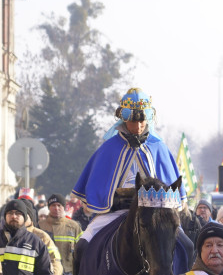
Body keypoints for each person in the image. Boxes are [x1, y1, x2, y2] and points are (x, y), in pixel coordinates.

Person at [71, 88, 182, 243]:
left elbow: (171, 188)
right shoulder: (108, 148)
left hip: (155, 215)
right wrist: (114, 200)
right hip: (114, 212)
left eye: (142, 121)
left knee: (187, 246)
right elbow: (97, 187)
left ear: (148, 119)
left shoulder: (159, 147)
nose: (137, 127)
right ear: (123, 119)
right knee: (83, 244)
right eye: (133, 121)